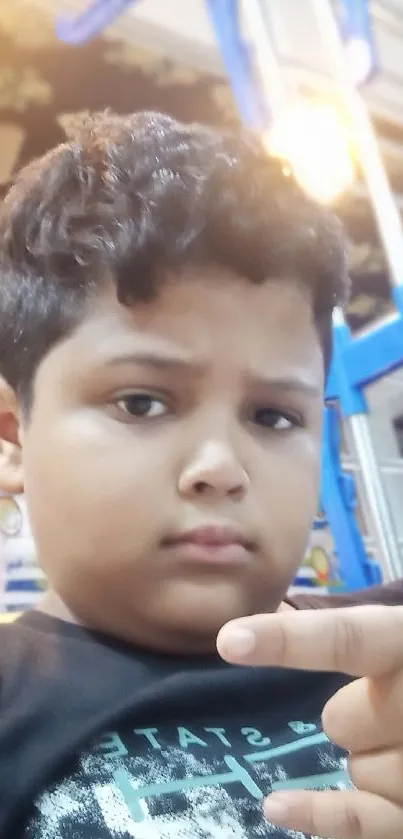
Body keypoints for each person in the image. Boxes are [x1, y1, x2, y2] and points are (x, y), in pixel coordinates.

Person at [0, 111, 401, 839]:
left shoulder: (390, 647)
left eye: (274, 417)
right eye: (142, 401)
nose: (219, 468)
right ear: (11, 438)